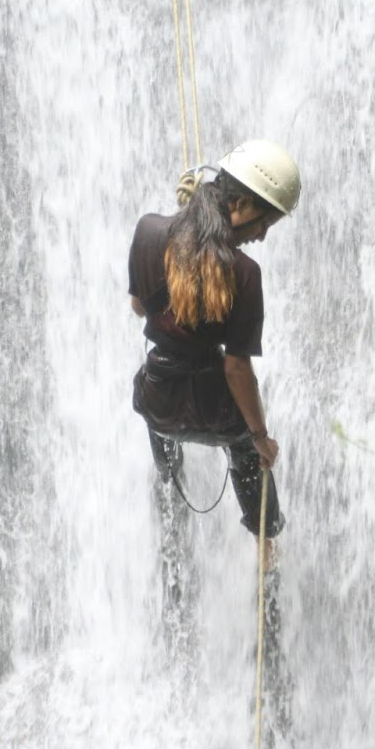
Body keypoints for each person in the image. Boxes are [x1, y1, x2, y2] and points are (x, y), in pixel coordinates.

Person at [127, 139, 300, 542]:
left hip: (159, 403)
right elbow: (236, 368)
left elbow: (139, 307)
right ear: (240, 205)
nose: (262, 236)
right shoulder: (244, 273)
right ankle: (267, 542)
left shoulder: (149, 231)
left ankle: (167, 478)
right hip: (215, 412)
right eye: (264, 223)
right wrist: (261, 438)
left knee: (158, 419)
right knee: (247, 449)